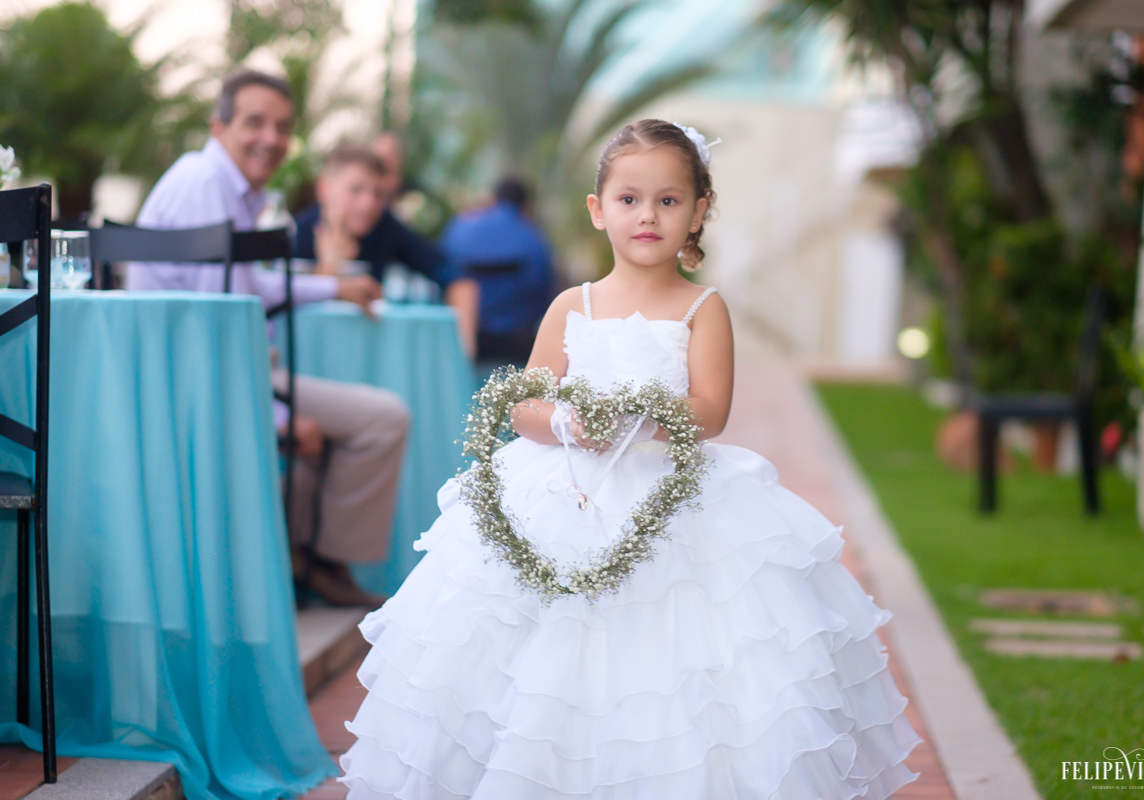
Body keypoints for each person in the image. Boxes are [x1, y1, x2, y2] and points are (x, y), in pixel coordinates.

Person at [338, 119, 922, 797]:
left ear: (700, 211)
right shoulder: (570, 305)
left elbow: (710, 408)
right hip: (561, 490)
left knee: (667, 650)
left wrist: (648, 414)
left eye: (669, 201)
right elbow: (525, 403)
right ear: (598, 209)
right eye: (630, 199)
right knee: (533, 647)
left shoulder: (704, 308)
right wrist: (563, 418)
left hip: (667, 493)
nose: (648, 215)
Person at [128, 69, 409, 609]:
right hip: (199, 381)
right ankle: (288, 568)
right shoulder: (206, 186)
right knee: (369, 420)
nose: (271, 139)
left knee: (383, 417)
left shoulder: (227, 187)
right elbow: (223, 323)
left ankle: (314, 561)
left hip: (226, 366)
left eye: (282, 127)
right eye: (255, 122)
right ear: (219, 125)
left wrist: (334, 287)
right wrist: (280, 417)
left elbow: (245, 288)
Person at [292, 135, 480, 359]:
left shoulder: (385, 227)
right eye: (356, 190)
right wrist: (331, 266)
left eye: (379, 194)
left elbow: (459, 281)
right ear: (324, 189)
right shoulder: (297, 233)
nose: (368, 203)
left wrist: (464, 352)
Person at [440, 177, 556, 376]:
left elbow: (440, 271)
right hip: (515, 346)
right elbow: (543, 296)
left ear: (493, 199)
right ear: (526, 206)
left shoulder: (459, 228)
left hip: (463, 340)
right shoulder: (533, 238)